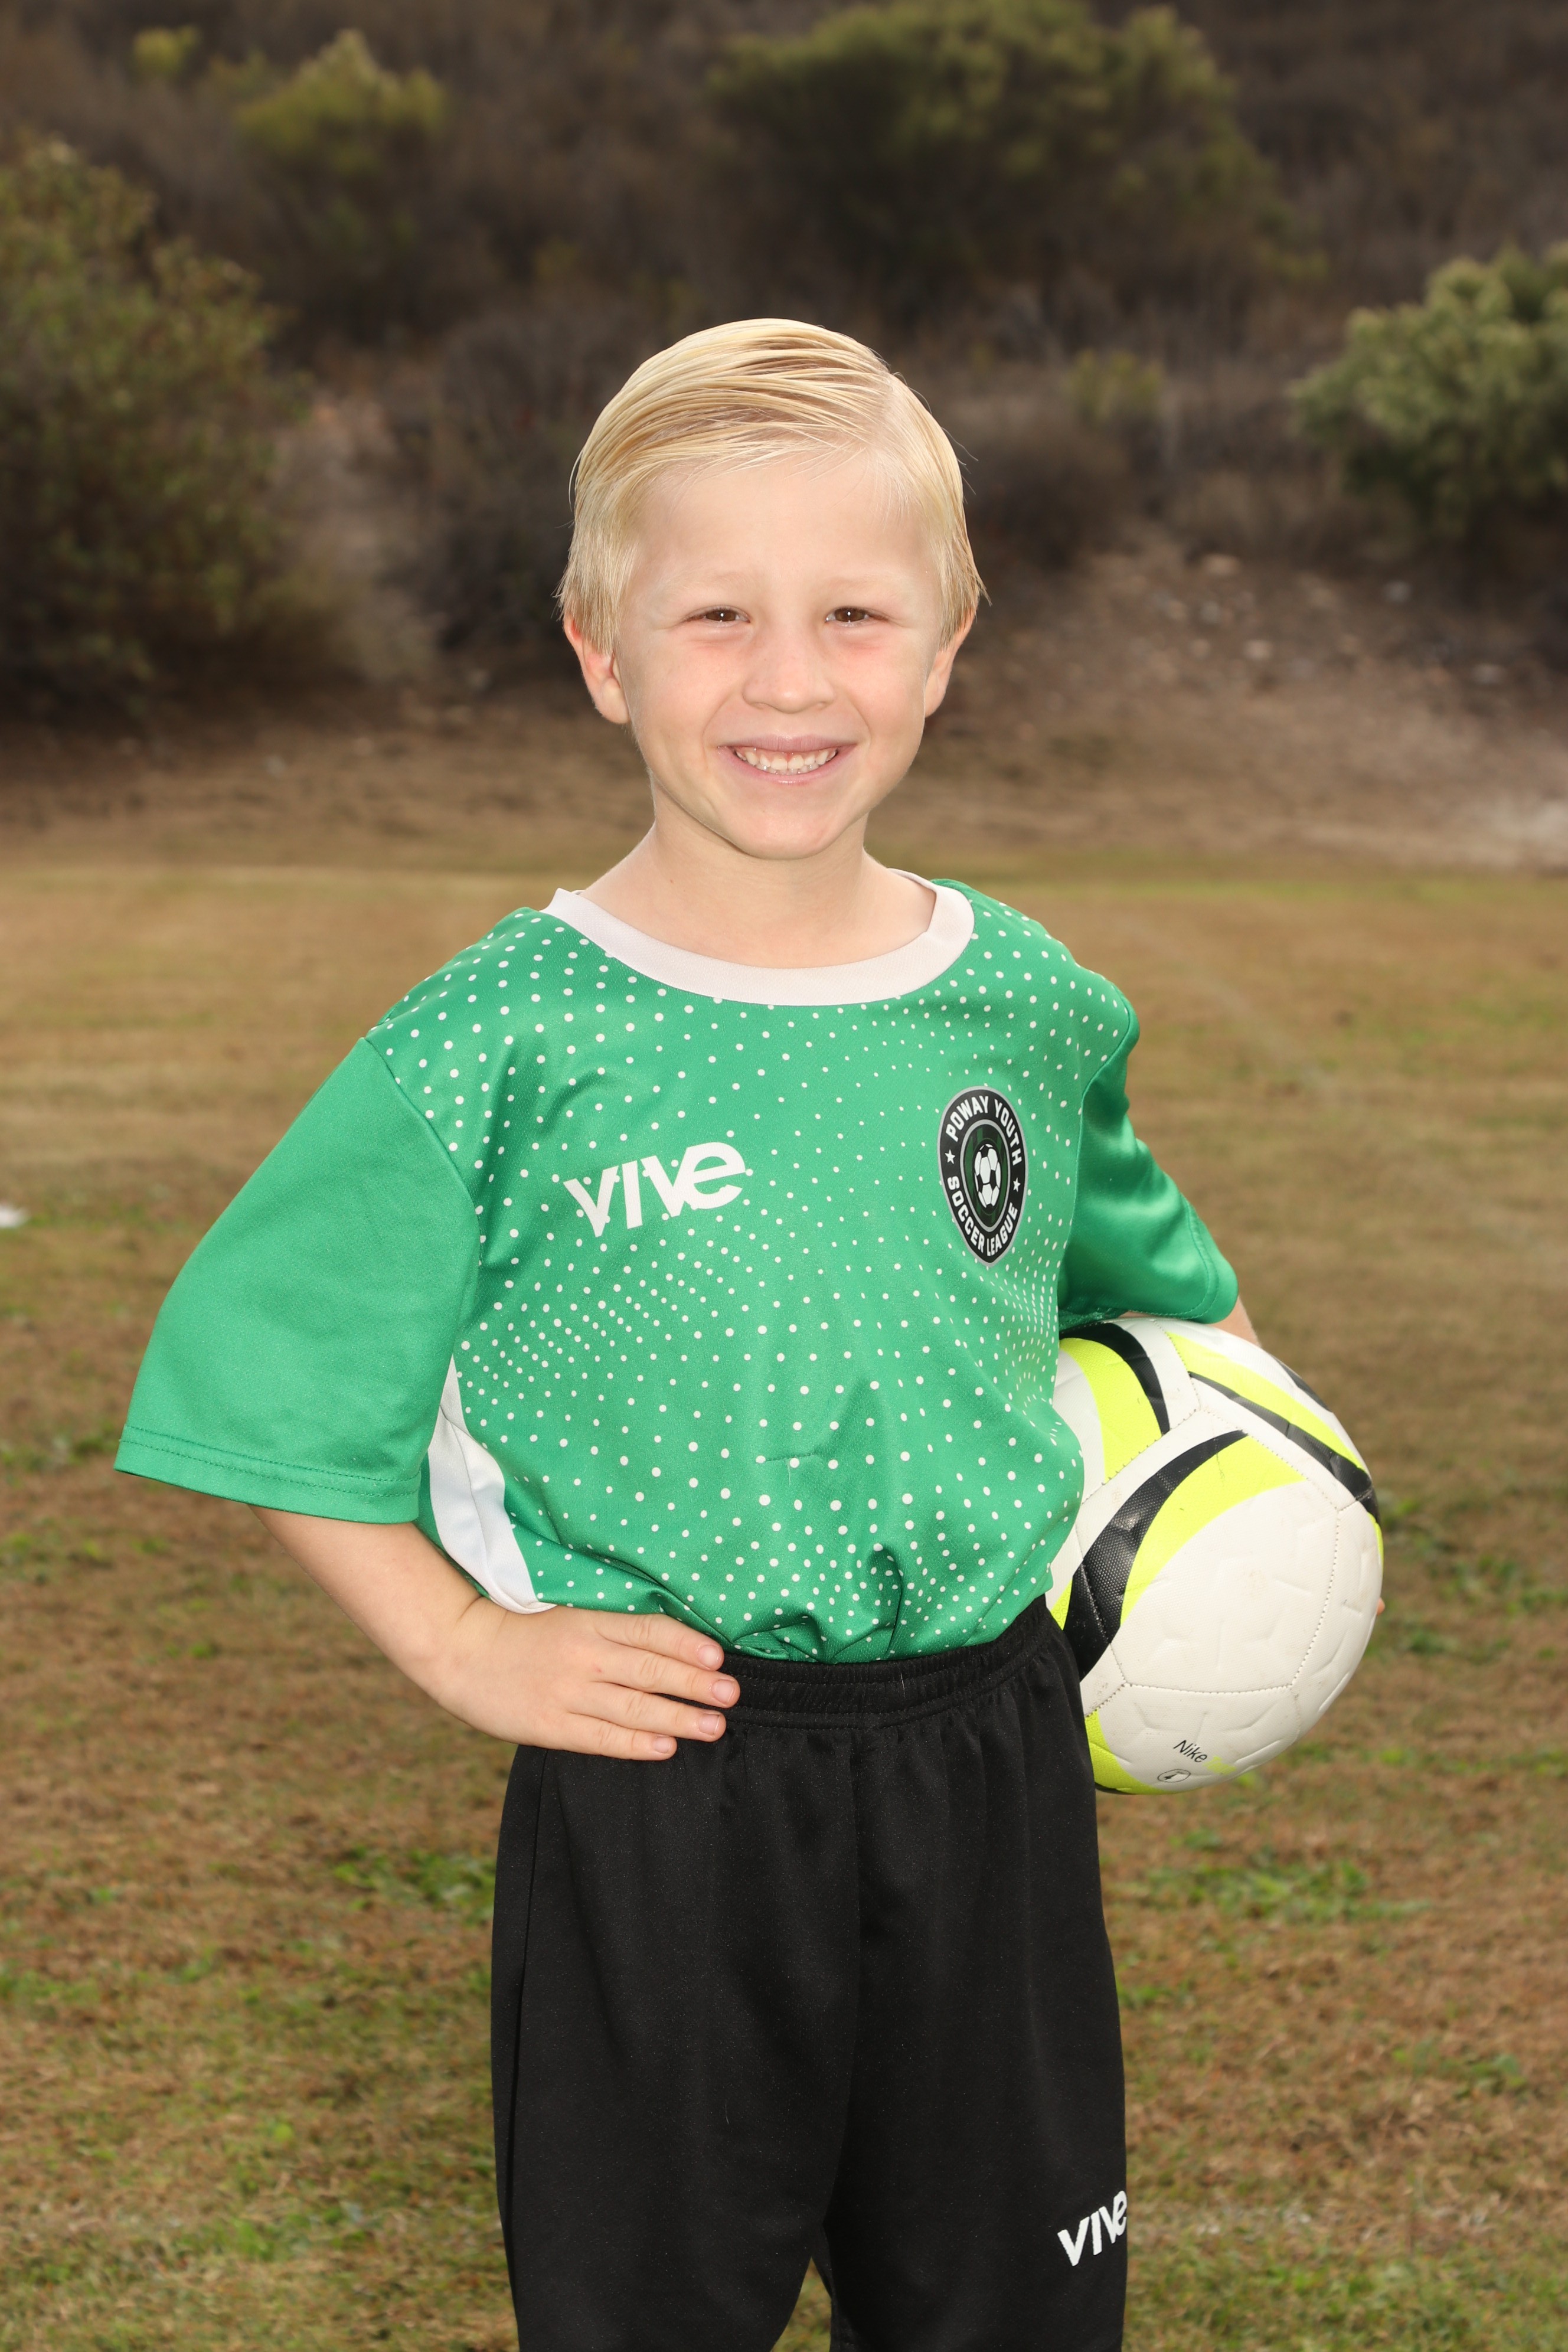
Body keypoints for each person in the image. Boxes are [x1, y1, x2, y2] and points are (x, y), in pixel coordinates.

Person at [117, 319, 1256, 2352]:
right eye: (717, 615)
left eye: (854, 614)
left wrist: (1247, 1534)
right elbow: (266, 1368)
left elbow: (1180, 1315)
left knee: (1010, 2311)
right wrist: (458, 1642)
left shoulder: (1021, 1002)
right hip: (663, 1771)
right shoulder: (504, 1035)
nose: (789, 680)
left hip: (992, 1759)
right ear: (601, 651)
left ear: (946, 645)